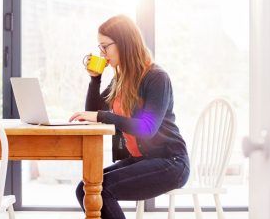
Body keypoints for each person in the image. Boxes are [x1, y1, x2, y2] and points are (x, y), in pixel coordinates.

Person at [69, 15, 190, 219]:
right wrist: (95, 79)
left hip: (172, 162)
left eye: (105, 46)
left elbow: (147, 128)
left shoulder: (156, 77)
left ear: (123, 43)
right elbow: (93, 114)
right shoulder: (122, 79)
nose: (102, 53)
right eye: (100, 47)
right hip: (142, 159)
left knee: (102, 190)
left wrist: (103, 116)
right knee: (85, 188)